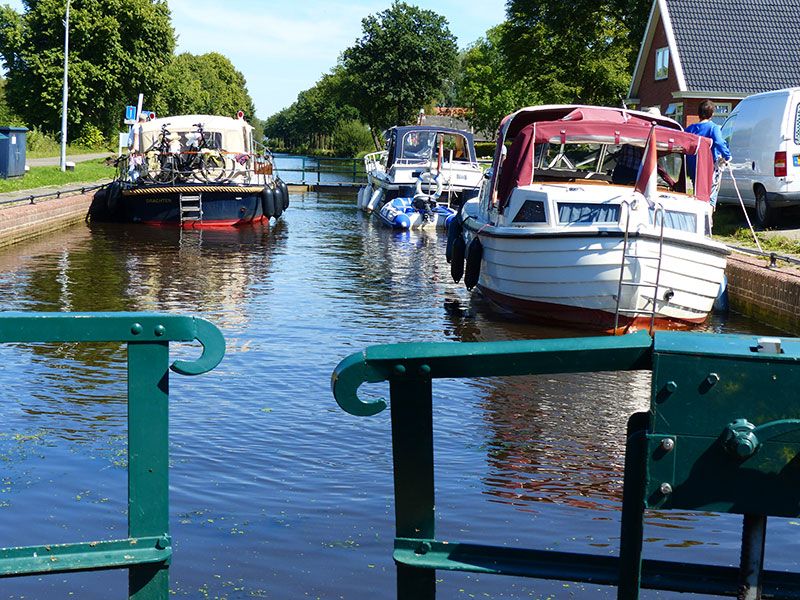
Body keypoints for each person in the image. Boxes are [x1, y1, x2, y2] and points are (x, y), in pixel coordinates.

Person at [685, 100, 731, 208]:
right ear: (712, 114)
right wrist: (727, 156)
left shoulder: (690, 128)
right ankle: (708, 217)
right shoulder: (713, 128)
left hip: (693, 166)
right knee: (710, 197)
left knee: (697, 194)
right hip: (708, 167)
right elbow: (719, 142)